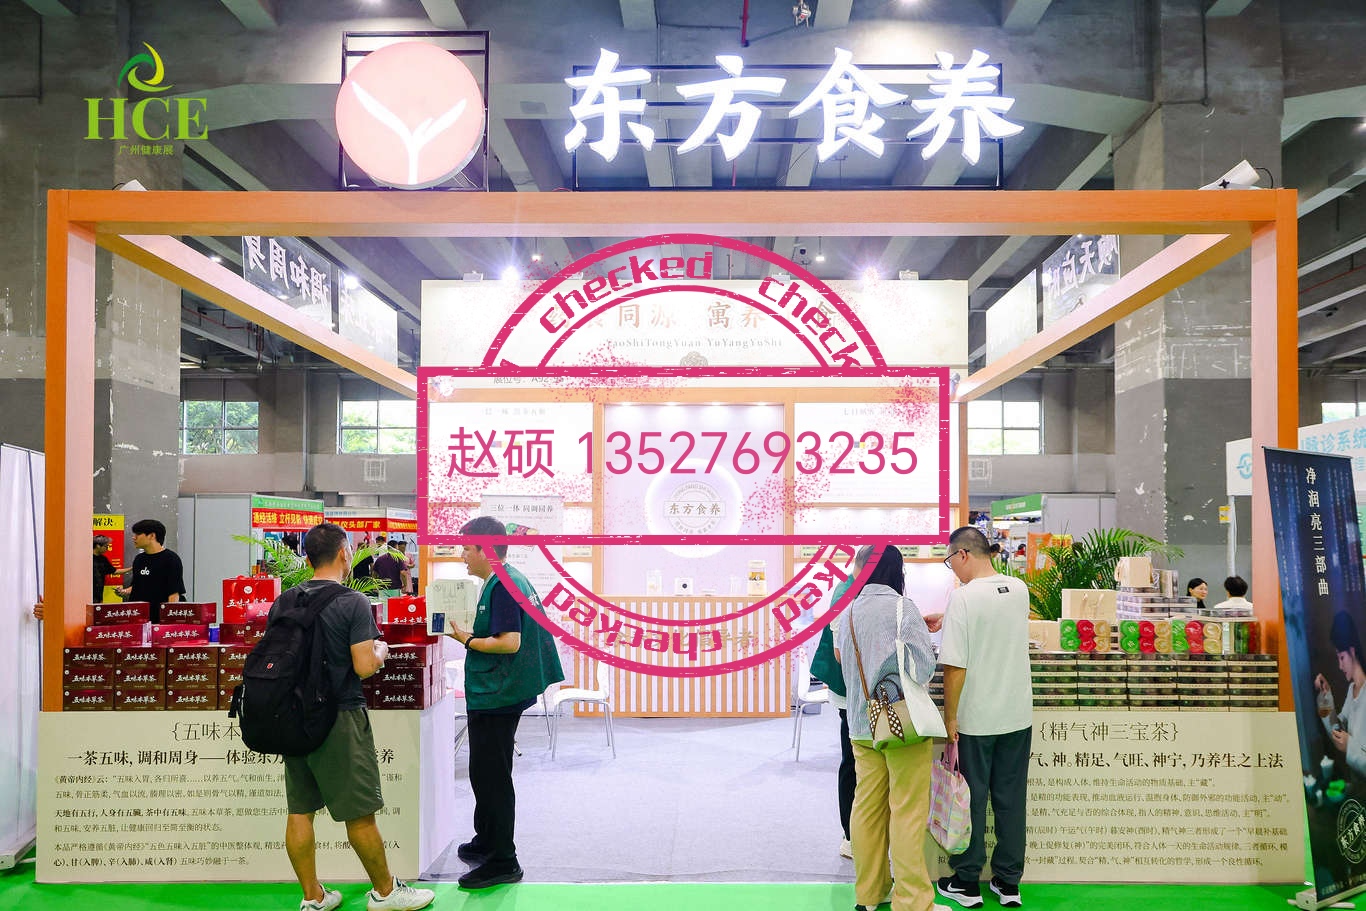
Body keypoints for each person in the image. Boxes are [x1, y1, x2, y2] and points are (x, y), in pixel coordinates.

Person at [277, 522, 435, 911]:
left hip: (293, 716)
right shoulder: (352, 602)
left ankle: (312, 897)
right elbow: (364, 666)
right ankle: (386, 892)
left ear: (308, 558)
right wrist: (381, 650)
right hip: (339, 716)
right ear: (345, 553)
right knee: (360, 812)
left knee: (300, 810)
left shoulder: (286, 599)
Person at [446, 515, 565, 890]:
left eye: (467, 548)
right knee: (483, 772)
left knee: (492, 777)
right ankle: (486, 840)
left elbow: (509, 642)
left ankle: (503, 860)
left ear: (485, 550)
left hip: (499, 694)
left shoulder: (504, 584)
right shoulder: (503, 579)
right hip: (498, 690)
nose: (462, 555)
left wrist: (466, 639)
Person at [833, 545, 944, 911]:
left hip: (861, 724)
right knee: (907, 810)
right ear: (897, 571)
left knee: (866, 808)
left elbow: (843, 660)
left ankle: (869, 894)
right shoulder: (903, 608)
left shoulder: (847, 611)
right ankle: (911, 901)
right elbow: (923, 668)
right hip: (901, 724)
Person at [937, 525, 1032, 909]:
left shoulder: (962, 598)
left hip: (976, 718)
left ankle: (967, 882)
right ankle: (1008, 883)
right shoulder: (1019, 590)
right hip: (1017, 715)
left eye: (950, 561)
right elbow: (995, 623)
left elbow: (954, 667)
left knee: (970, 800)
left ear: (963, 554)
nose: (952, 569)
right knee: (1011, 799)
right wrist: (948, 618)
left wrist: (950, 718)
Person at [809, 544, 873, 859]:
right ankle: (850, 835)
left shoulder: (854, 588)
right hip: (851, 691)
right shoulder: (847, 594)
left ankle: (857, 833)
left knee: (857, 762)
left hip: (856, 690)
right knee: (852, 762)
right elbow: (840, 653)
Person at [1316, 612, 1366, 777]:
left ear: (1352, 651)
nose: (1340, 665)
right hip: (1356, 784)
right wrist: (1326, 696)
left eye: (1342, 657)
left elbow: (1347, 744)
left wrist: (1349, 746)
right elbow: (1337, 731)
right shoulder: (1352, 690)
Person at [114, 518, 185, 622]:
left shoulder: (171, 559)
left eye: (138, 534)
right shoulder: (139, 559)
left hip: (159, 618)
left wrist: (169, 621)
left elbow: (174, 593)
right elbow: (138, 585)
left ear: (152, 535)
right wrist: (124, 591)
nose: (134, 537)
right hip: (138, 617)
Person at [92, 535, 117, 604]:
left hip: (98, 596)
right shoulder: (86, 558)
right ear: (98, 546)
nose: (107, 549)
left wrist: (132, 568)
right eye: (106, 546)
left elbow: (114, 571)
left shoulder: (103, 559)